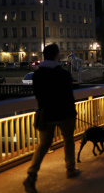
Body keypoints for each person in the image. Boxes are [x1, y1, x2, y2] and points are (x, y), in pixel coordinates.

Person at [23, 44, 80, 193]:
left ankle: (31, 174)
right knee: (68, 139)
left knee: (43, 145)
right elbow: (69, 94)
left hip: (47, 114)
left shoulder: (37, 75)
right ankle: (70, 168)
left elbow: (38, 96)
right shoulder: (64, 74)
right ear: (57, 56)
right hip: (64, 113)